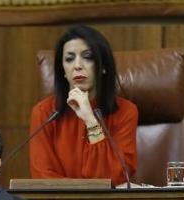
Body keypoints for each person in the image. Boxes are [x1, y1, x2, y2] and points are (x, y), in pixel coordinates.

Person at [29, 25, 138, 187]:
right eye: (69, 59)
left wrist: (90, 120)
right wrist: (88, 188)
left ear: (103, 67)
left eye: (88, 57)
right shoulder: (44, 112)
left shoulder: (125, 111)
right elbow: (43, 178)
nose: (77, 65)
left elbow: (113, 178)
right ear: (63, 71)